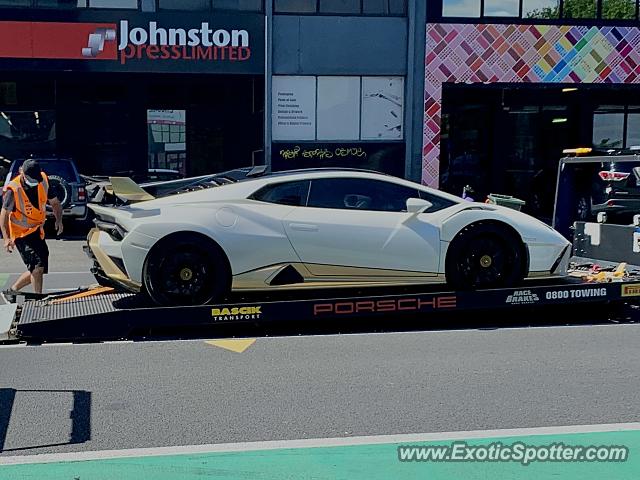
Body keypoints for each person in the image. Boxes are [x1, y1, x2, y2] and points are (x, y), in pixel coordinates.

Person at [1, 159, 63, 294]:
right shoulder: (14, 189)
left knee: (39, 268)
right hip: (21, 233)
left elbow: (55, 203)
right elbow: (4, 214)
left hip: (36, 230)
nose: (36, 182)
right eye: (33, 179)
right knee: (37, 267)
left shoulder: (43, 180)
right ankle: (38, 299)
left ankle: (13, 289)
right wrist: (6, 238)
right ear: (23, 174)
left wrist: (59, 220)